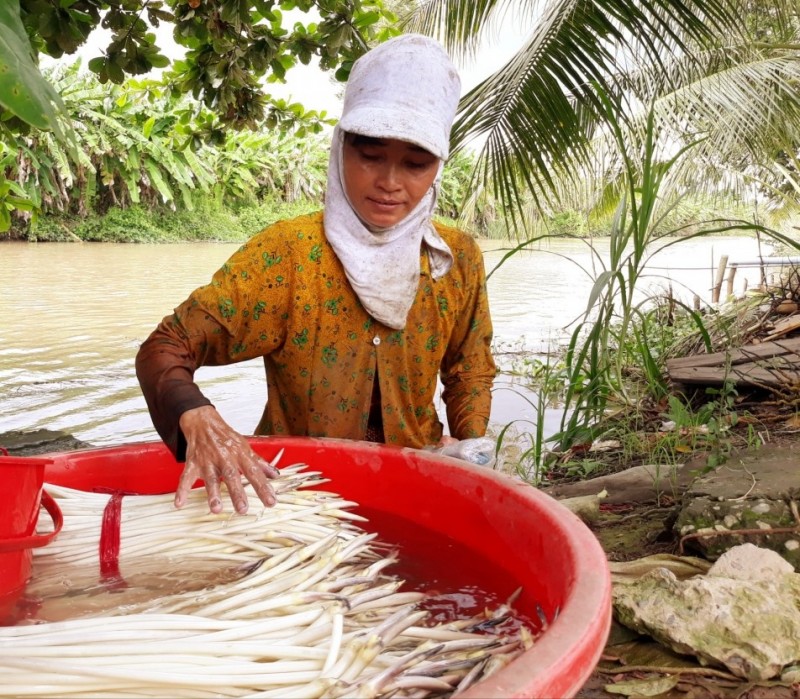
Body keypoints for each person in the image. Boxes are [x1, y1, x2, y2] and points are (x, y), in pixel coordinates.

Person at [135, 34, 497, 515]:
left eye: (415, 164)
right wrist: (194, 412)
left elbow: (468, 366)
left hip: (417, 482)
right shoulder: (288, 254)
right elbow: (165, 347)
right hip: (296, 497)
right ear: (341, 146)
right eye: (370, 156)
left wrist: (473, 447)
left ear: (438, 166)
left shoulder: (456, 257)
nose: (390, 183)